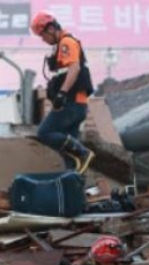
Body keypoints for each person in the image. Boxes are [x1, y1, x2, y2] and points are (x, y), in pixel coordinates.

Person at [30, 11, 95, 173]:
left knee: (45, 132)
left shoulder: (66, 43)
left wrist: (62, 94)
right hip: (76, 104)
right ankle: (74, 186)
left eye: (42, 35)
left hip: (71, 102)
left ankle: (83, 152)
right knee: (69, 156)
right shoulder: (60, 46)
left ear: (51, 29)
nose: (43, 39)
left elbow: (74, 68)